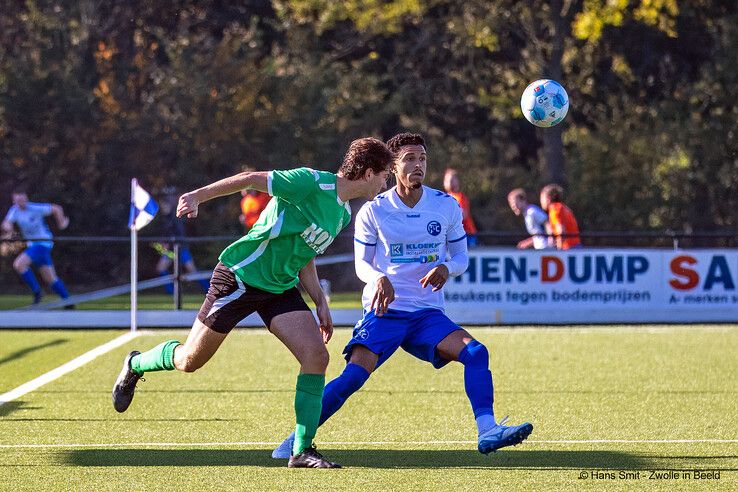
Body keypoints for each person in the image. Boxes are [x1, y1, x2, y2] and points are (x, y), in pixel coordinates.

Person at [112, 137, 394, 469]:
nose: (386, 182)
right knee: (189, 360)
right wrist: (197, 196)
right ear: (368, 172)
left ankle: (301, 450)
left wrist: (320, 300)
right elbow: (249, 179)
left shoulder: (342, 214)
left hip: (279, 287)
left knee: (316, 356)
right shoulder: (310, 182)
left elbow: (304, 256)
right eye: (385, 174)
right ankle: (136, 364)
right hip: (240, 277)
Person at [272, 133, 533, 459]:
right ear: (393, 166)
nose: (418, 164)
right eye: (409, 158)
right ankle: (295, 440)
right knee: (353, 377)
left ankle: (488, 430)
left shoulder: (445, 205)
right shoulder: (373, 211)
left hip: (426, 315)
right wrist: (378, 277)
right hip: (385, 313)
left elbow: (461, 258)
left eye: (422, 158)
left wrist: (446, 268)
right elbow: (361, 266)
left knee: (476, 353)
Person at [1, 189, 71, 305]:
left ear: (26, 198)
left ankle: (37, 292)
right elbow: (7, 222)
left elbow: (57, 209)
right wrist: (8, 229)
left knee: (19, 265)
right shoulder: (14, 211)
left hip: (43, 243)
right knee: (51, 279)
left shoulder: (35, 208)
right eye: (18, 200)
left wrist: (62, 222)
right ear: (14, 201)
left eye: (22, 198)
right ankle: (68, 302)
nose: (21, 202)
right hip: (33, 245)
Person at [154, 188, 209, 294]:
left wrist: (169, 243)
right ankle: (172, 292)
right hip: (171, 251)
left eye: (164, 206)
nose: (163, 208)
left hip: (181, 248)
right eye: (162, 206)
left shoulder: (175, 218)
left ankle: (209, 290)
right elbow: (166, 235)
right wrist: (163, 243)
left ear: (169, 205)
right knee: (160, 268)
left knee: (193, 272)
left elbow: (179, 234)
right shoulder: (164, 219)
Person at [443, 168, 478, 247]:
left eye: (451, 180)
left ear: (457, 181)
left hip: (467, 234)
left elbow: (463, 216)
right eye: (447, 180)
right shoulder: (445, 198)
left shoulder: (460, 197)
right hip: (453, 235)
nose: (449, 183)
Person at [540, 184, 581, 249]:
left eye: (542, 198)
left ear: (548, 198)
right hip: (576, 246)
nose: (541, 201)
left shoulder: (554, 209)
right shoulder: (562, 207)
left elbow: (561, 231)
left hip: (570, 248)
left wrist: (559, 250)